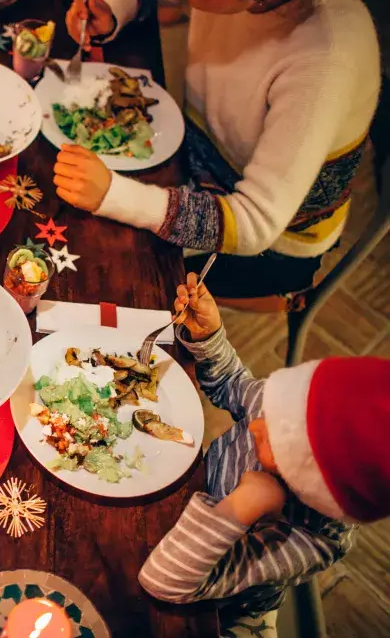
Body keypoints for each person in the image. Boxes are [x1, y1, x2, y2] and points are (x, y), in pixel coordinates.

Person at [53, 0, 380, 298]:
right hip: (192, 162)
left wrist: (114, 195)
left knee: (96, 264)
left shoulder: (323, 62)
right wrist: (113, 10)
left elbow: (255, 224)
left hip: (269, 244)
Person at [138, 271, 390, 635]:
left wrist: (245, 505)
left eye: (273, 439)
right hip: (186, 499)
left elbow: (166, 580)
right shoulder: (278, 414)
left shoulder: (308, 539)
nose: (255, 424)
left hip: (221, 603)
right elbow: (232, 383)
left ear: (306, 481)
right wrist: (210, 335)